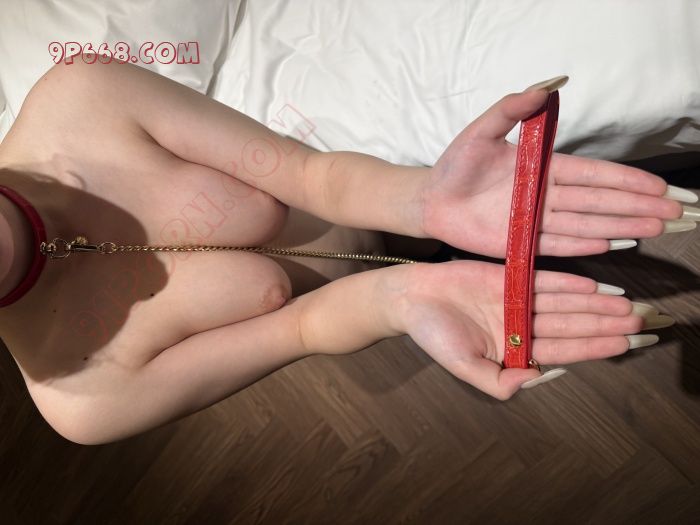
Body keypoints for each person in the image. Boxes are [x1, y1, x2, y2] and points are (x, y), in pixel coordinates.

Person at [0, 58, 693, 445]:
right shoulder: (86, 402)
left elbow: (312, 177)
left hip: (386, 193)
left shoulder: (80, 101)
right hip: (383, 300)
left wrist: (424, 200)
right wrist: (402, 300)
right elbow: (303, 327)